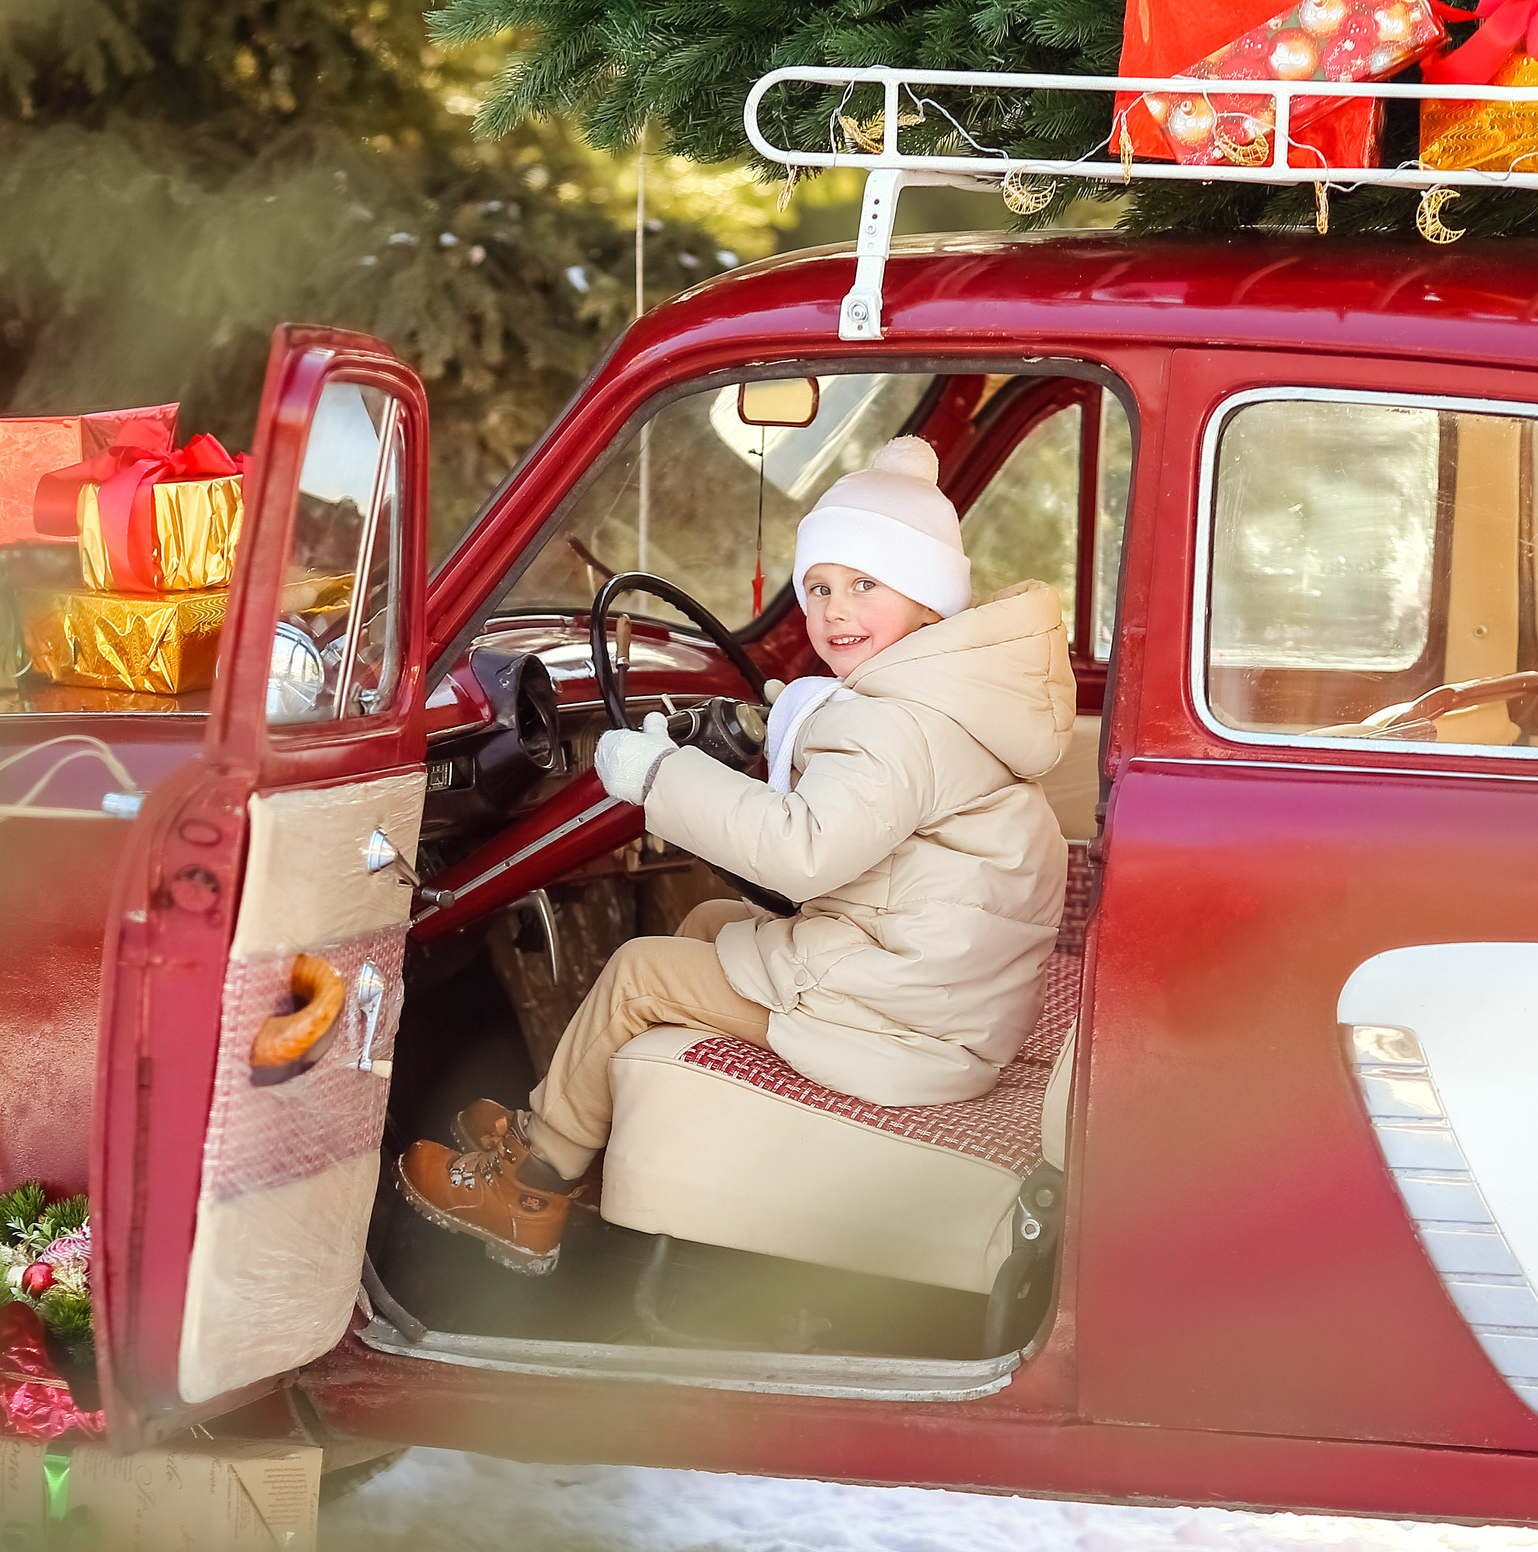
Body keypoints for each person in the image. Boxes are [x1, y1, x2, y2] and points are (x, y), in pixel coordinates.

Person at [398, 435, 1077, 1273]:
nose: (835, 610)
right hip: (936, 999)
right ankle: (590, 1119)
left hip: (903, 1028)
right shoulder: (947, 701)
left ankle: (534, 1180)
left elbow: (801, 852)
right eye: (820, 586)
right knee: (714, 918)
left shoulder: (896, 726)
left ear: (929, 599)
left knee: (639, 972)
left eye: (867, 583)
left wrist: (660, 773)